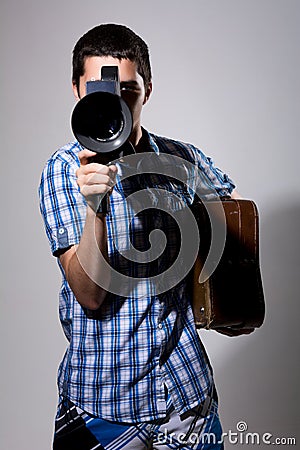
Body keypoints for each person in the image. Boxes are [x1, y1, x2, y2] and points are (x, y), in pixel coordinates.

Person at [39, 23, 242, 450]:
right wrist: (96, 206)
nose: (116, 102)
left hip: (187, 400)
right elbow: (90, 295)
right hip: (105, 406)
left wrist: (230, 300)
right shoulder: (62, 170)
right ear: (76, 90)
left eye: (128, 89)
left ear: (147, 89)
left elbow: (236, 217)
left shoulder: (180, 159)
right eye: (98, 89)